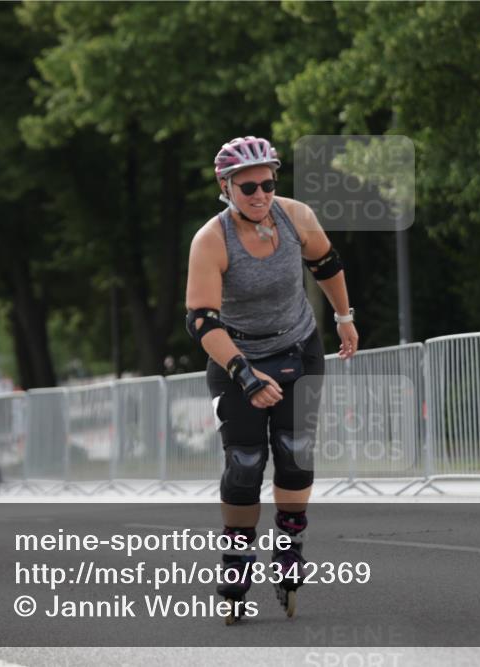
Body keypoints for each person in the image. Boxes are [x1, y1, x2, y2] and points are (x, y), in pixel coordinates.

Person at [185, 136, 358, 622]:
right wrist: (246, 375)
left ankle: (290, 544)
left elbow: (326, 262)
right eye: (247, 188)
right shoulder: (211, 240)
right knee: (245, 462)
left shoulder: (296, 216)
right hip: (236, 355)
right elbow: (201, 321)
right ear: (226, 187)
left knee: (295, 452)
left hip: (299, 347)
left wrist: (344, 318)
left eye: (266, 184)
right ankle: (238, 554)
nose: (259, 195)